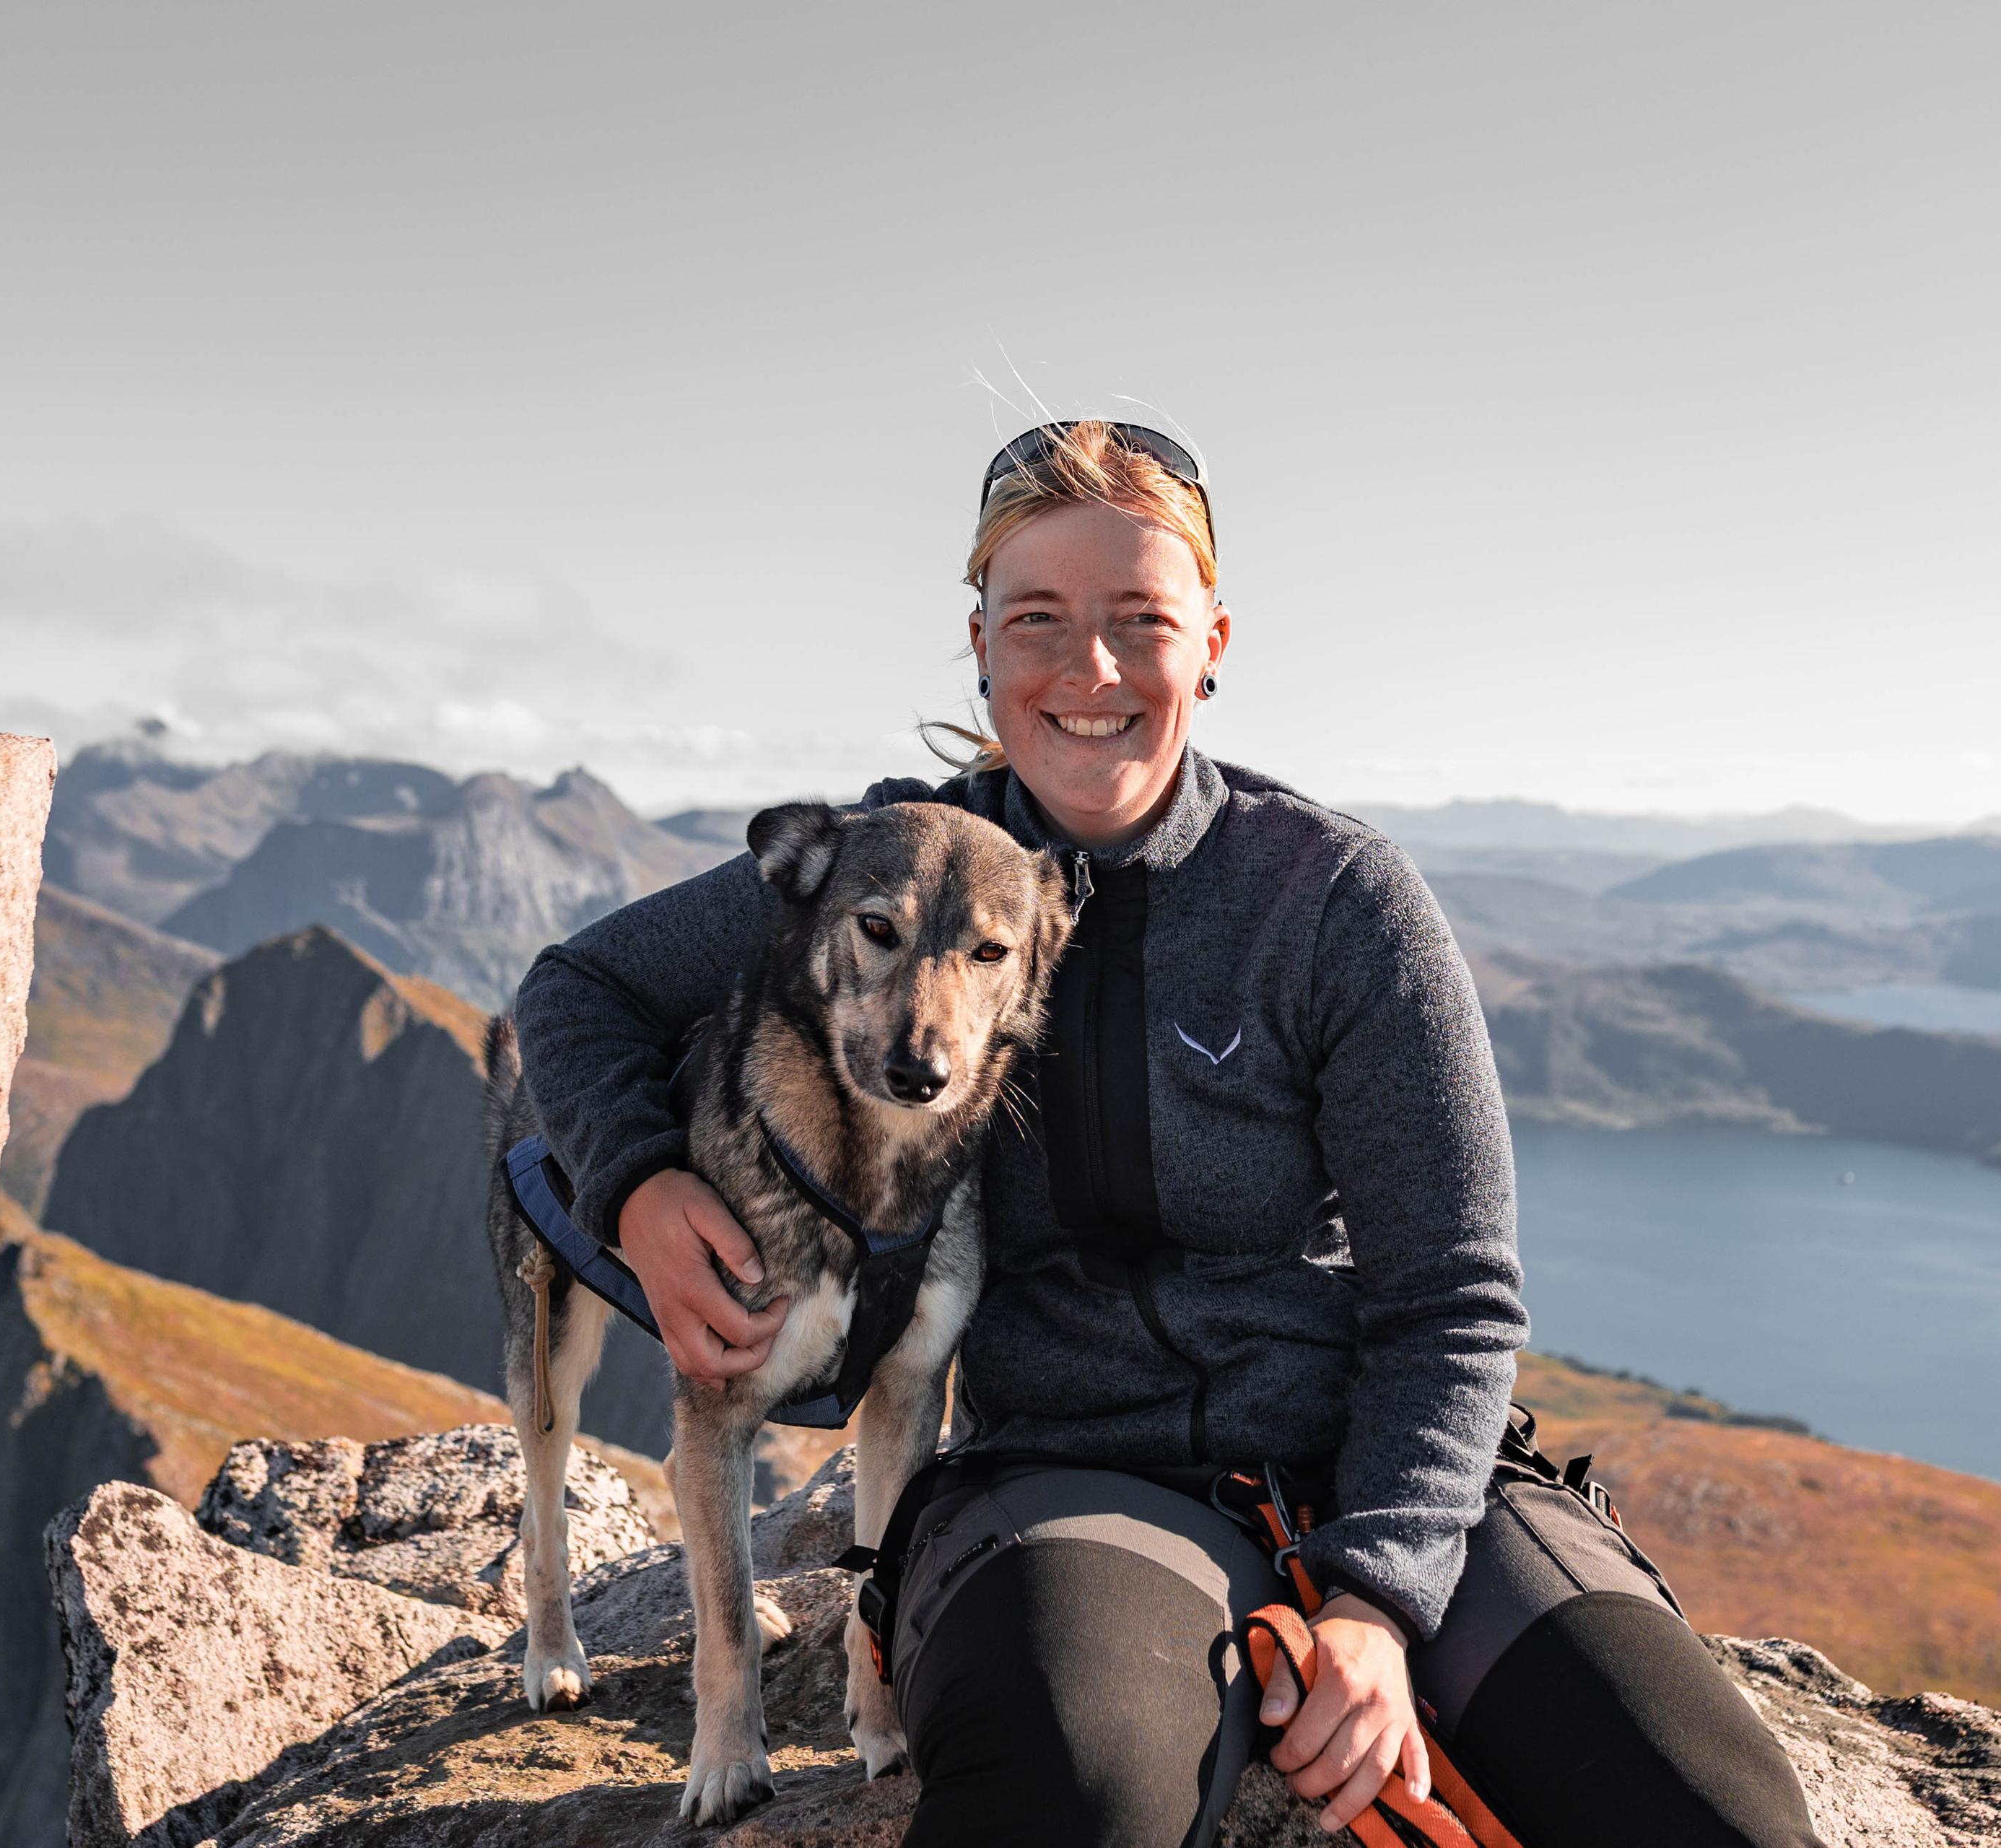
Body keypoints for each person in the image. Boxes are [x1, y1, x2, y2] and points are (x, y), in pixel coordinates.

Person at [513, 420, 1823, 1848]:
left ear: (1213, 640)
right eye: (1040, 623)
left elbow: (1452, 1295)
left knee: (1713, 1815)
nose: (1091, 674)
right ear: (979, 646)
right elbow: (577, 988)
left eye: (1142, 621)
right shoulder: (898, 856)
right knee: (1067, 1798)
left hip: (1384, 1471)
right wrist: (638, 1182)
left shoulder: (1332, 899)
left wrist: (1379, 1598)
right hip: (1071, 1485)